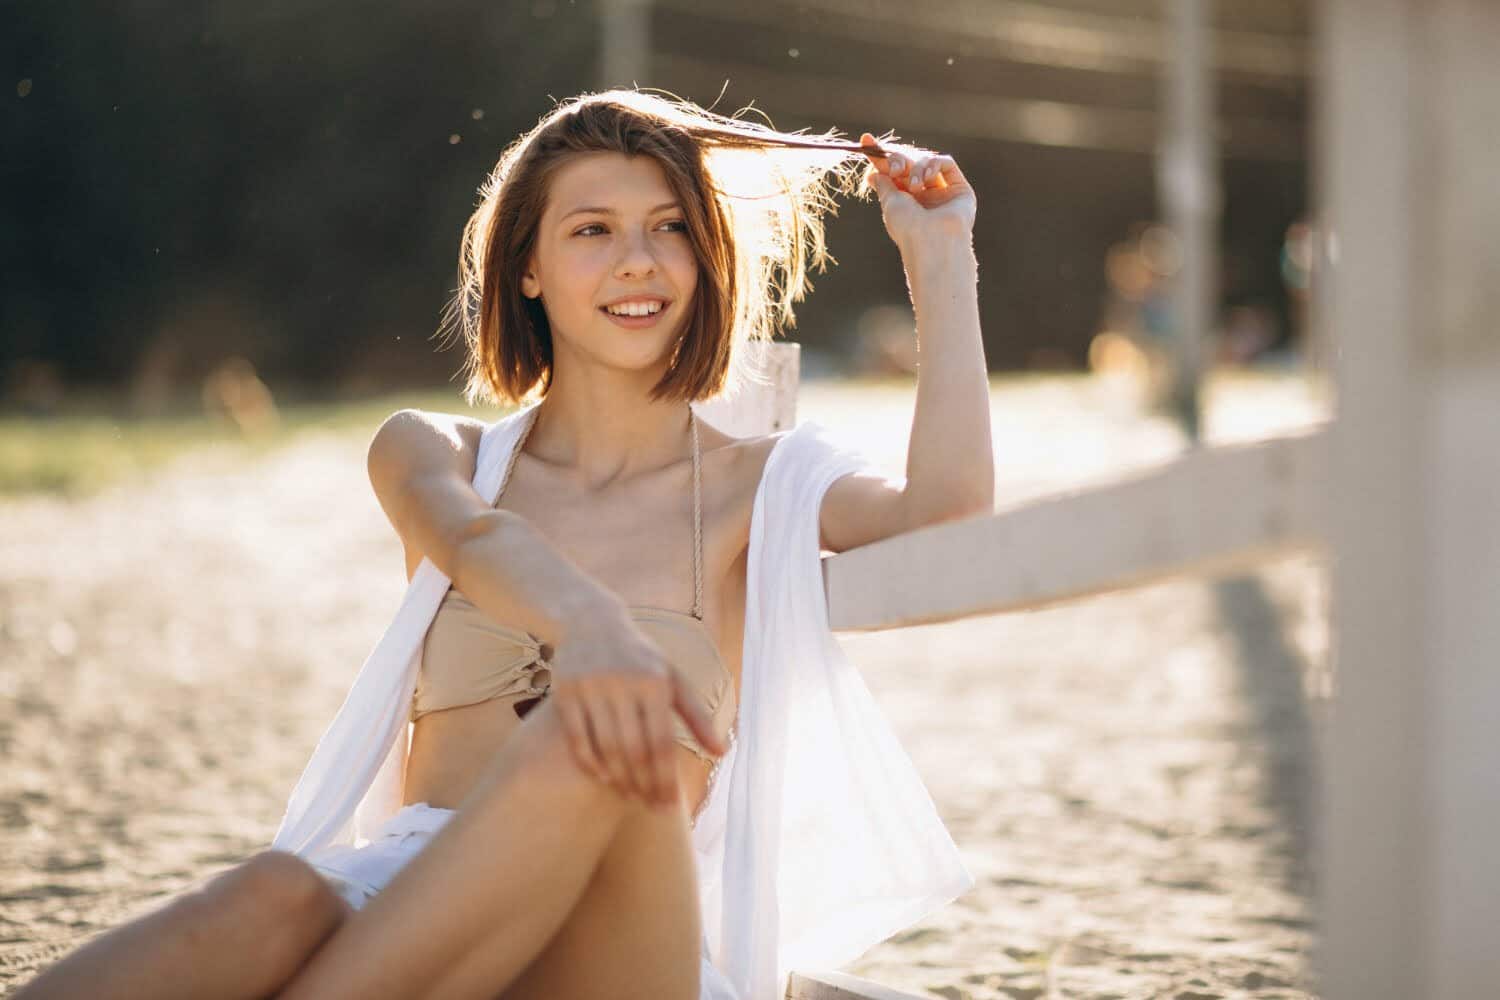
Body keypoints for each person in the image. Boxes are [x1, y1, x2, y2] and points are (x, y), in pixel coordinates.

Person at [16, 87, 989, 1000]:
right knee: (279, 890)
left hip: (620, 940)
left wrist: (940, 261)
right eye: (592, 231)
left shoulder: (759, 482)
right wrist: (597, 632)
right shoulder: (439, 455)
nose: (639, 261)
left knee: (595, 731)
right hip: (412, 906)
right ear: (526, 264)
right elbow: (474, 539)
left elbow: (948, 510)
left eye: (670, 229)